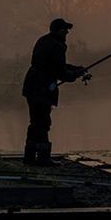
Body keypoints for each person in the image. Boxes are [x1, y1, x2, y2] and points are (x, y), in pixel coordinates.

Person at [21, 18, 86, 165]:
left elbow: (55, 65)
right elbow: (59, 71)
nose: (67, 32)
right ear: (57, 30)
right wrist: (74, 75)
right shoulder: (57, 46)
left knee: (35, 121)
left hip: (32, 85)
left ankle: (29, 156)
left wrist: (75, 69)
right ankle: (43, 158)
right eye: (65, 29)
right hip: (42, 87)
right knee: (43, 122)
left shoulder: (44, 40)